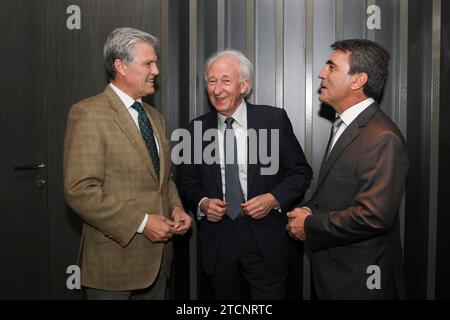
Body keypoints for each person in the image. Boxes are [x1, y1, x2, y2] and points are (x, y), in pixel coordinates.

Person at [63, 27, 192, 300]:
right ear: (120, 66)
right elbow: (80, 191)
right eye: (148, 63)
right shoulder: (88, 113)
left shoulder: (155, 117)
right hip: (113, 265)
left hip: (158, 264)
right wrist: (143, 223)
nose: (156, 71)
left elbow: (163, 179)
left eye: (156, 62)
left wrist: (177, 207)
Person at [177, 49, 312, 299]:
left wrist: (272, 198)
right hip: (218, 243)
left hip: (266, 242)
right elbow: (186, 182)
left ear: (244, 85)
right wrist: (203, 203)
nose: (217, 90)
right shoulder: (196, 129)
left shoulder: (273, 119)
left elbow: (300, 172)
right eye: (212, 81)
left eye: (226, 81)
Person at [286, 39, 409, 299]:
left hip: (360, 283)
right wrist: (310, 207)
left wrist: (310, 225)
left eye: (331, 67)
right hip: (338, 277)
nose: (321, 73)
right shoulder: (346, 125)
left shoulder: (381, 137)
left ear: (358, 80)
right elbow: (341, 193)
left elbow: (373, 217)